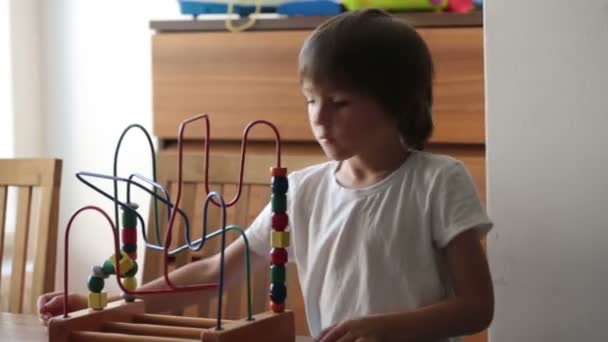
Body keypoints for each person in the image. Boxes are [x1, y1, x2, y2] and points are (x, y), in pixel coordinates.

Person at [38, 9, 493, 342]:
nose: (319, 118)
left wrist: (384, 330)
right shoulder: (302, 192)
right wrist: (103, 304)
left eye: (340, 102)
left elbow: (476, 308)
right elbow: (217, 271)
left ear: (396, 103)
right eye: (311, 100)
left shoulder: (438, 182)